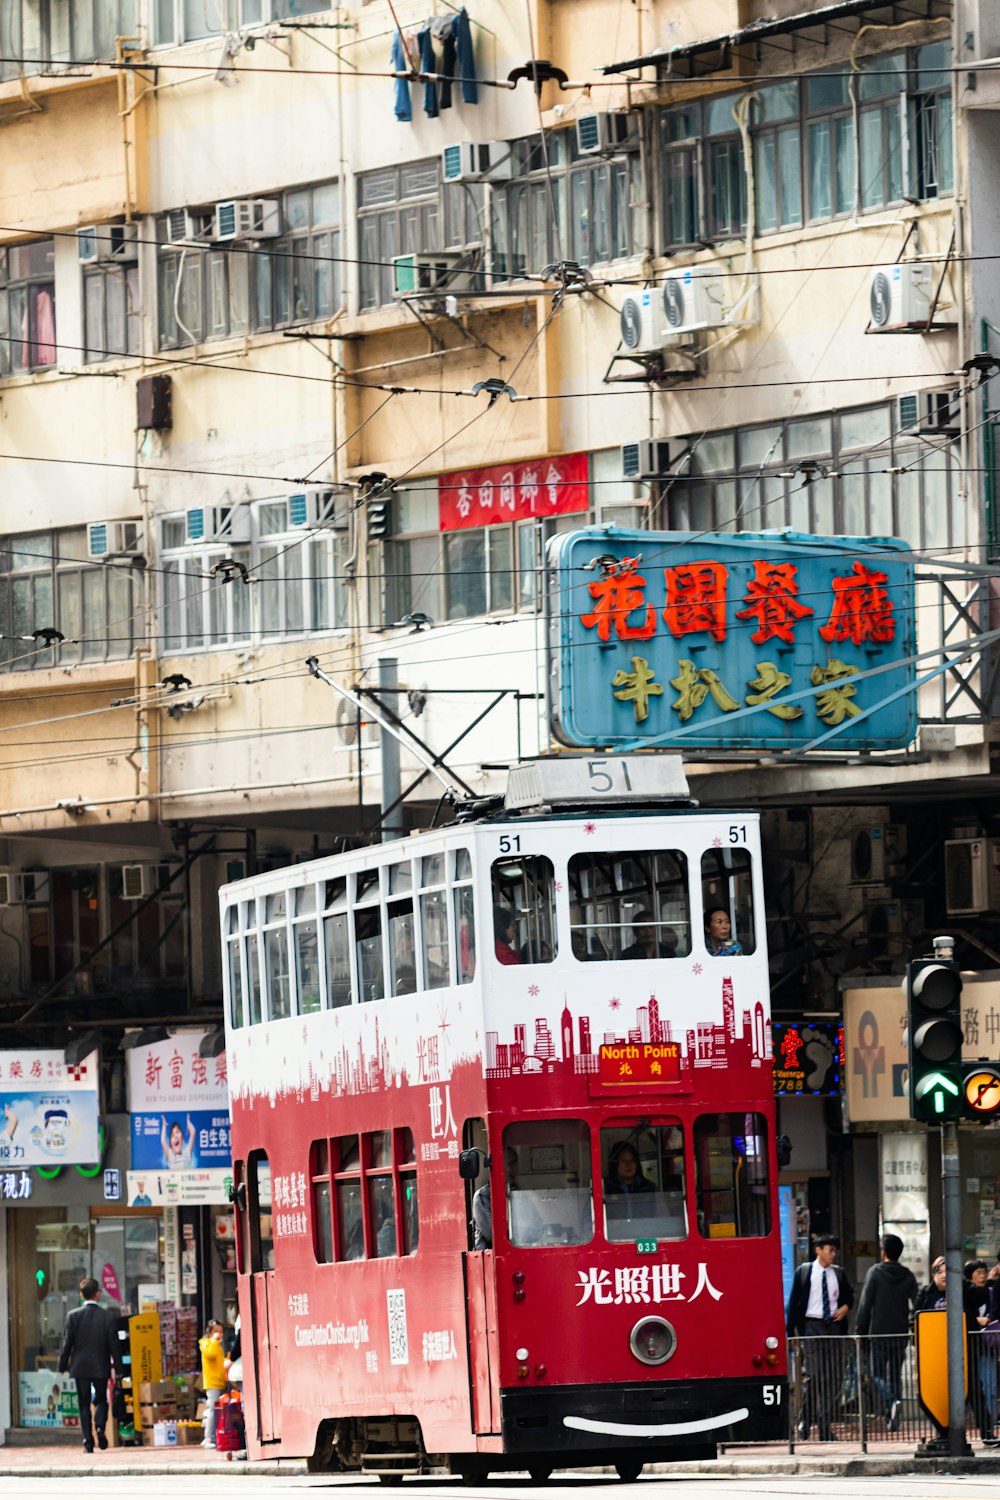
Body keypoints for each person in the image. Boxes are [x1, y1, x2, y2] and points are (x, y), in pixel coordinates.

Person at [786, 1235, 853, 1441]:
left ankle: (824, 1427)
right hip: (811, 1327)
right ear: (818, 1250)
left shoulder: (839, 1274)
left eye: (835, 1251)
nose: (833, 1254)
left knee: (832, 1378)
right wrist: (792, 1335)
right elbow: (794, 1302)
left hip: (832, 1328)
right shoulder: (804, 1272)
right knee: (815, 1376)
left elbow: (849, 1296)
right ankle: (805, 1418)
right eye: (829, 1250)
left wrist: (845, 1307)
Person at [855, 1233, 917, 1430]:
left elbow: (865, 1306)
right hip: (899, 1334)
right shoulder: (908, 1275)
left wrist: (860, 1332)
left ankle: (891, 1403)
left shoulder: (875, 1272)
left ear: (883, 1252)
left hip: (879, 1334)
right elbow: (917, 1306)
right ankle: (893, 1418)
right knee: (896, 1375)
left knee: (877, 1374)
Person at [57, 1277, 116, 1454]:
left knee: (83, 1403)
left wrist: (62, 1366)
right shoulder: (107, 1316)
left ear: (81, 1295)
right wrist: (120, 1370)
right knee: (100, 1400)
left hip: (80, 1366)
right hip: (100, 1365)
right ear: (97, 1294)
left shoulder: (72, 1316)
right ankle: (99, 1428)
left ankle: (88, 1442)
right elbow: (114, 1346)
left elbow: (66, 1344)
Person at [964, 1259, 998, 1444]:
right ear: (970, 1276)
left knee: (990, 1389)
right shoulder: (966, 1294)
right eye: (978, 1272)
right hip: (969, 1348)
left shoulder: (991, 1292)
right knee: (970, 1390)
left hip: (987, 1347)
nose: (983, 1275)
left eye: (984, 1271)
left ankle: (989, 1429)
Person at [199, 1318, 227, 1448]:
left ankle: (214, 1437)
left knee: (217, 1411)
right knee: (212, 1410)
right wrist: (214, 1340)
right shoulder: (205, 1343)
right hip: (212, 1383)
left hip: (220, 1382)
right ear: (209, 1332)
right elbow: (209, 1354)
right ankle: (208, 1438)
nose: (219, 1334)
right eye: (216, 1331)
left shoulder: (216, 1345)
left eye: (221, 1331)